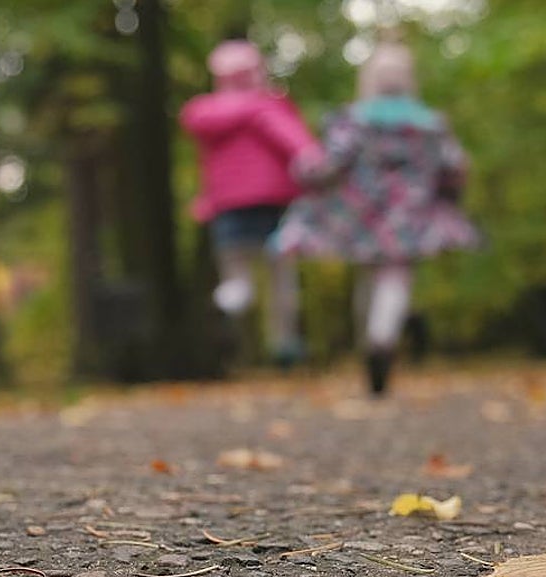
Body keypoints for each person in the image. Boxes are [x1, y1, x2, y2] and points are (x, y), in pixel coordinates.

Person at [273, 39, 481, 395]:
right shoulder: (429, 123)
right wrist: (450, 193)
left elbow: (329, 162)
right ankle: (381, 338)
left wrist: (304, 170)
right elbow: (454, 167)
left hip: (362, 214)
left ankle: (371, 343)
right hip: (409, 213)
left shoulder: (354, 119)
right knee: (396, 276)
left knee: (369, 274)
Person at [180, 40, 319, 367]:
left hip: (228, 206)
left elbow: (193, 127)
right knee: (280, 276)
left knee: (236, 271)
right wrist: (311, 158)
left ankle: (231, 302)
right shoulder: (267, 107)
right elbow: (293, 139)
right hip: (272, 203)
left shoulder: (205, 112)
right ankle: (284, 342)